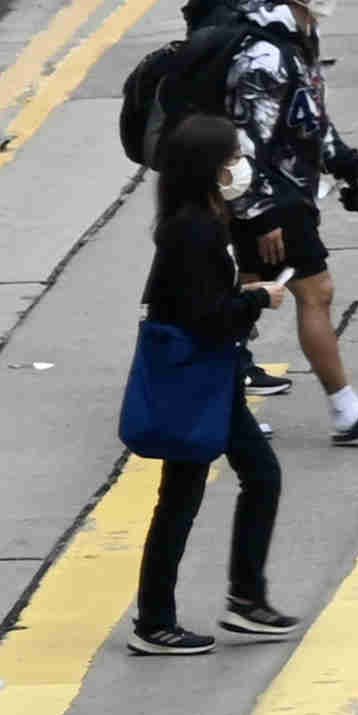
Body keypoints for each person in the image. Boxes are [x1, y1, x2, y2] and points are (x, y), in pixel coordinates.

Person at [215, 0, 358, 444]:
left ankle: (219, 407)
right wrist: (261, 214)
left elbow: (311, 120)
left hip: (286, 193)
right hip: (272, 199)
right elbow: (242, 140)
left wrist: (352, 169)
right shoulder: (266, 56)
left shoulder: (298, 40)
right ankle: (345, 408)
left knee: (247, 300)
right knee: (314, 292)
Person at [125, 115, 293, 656]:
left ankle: (242, 600)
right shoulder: (192, 228)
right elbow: (204, 313)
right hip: (197, 378)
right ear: (209, 168)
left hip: (209, 375)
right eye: (231, 159)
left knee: (244, 479)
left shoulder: (198, 219)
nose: (239, 167)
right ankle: (158, 620)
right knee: (187, 495)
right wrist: (257, 298)